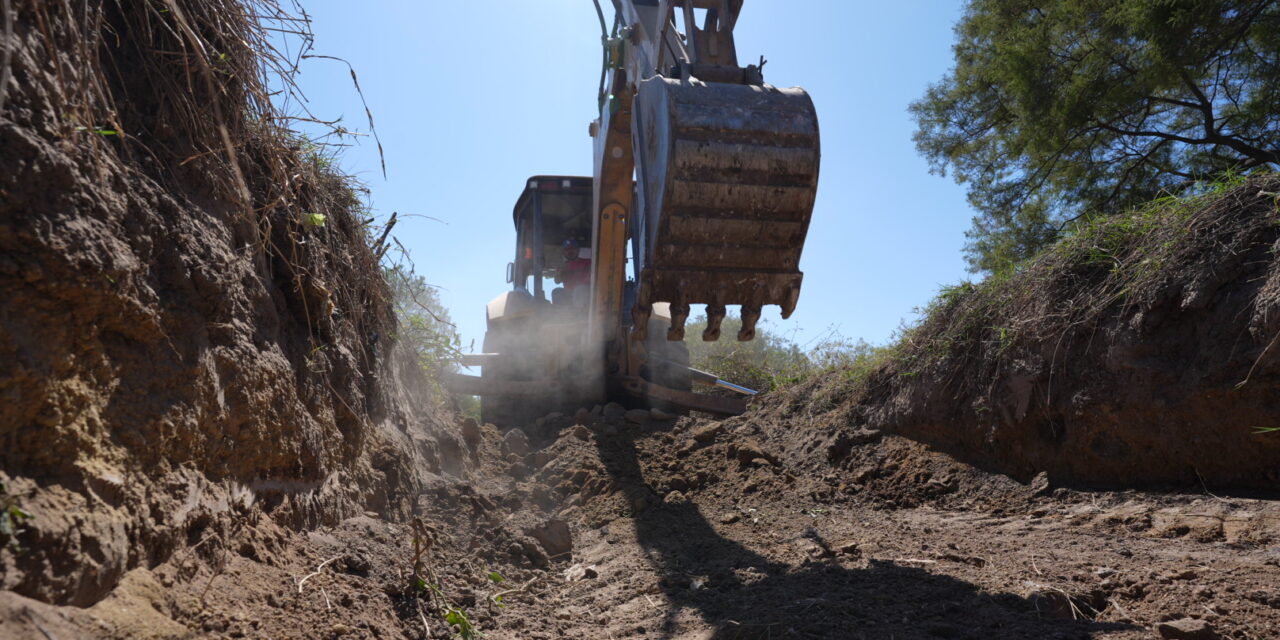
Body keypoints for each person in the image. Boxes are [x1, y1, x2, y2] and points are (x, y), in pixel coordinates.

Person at [554, 238, 591, 305]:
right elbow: (557, 281)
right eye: (567, 249)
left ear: (578, 250)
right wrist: (560, 273)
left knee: (580, 289)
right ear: (563, 252)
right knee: (557, 291)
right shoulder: (562, 266)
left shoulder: (588, 262)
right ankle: (561, 311)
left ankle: (580, 310)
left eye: (572, 248)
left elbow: (592, 277)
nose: (570, 251)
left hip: (585, 294)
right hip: (569, 295)